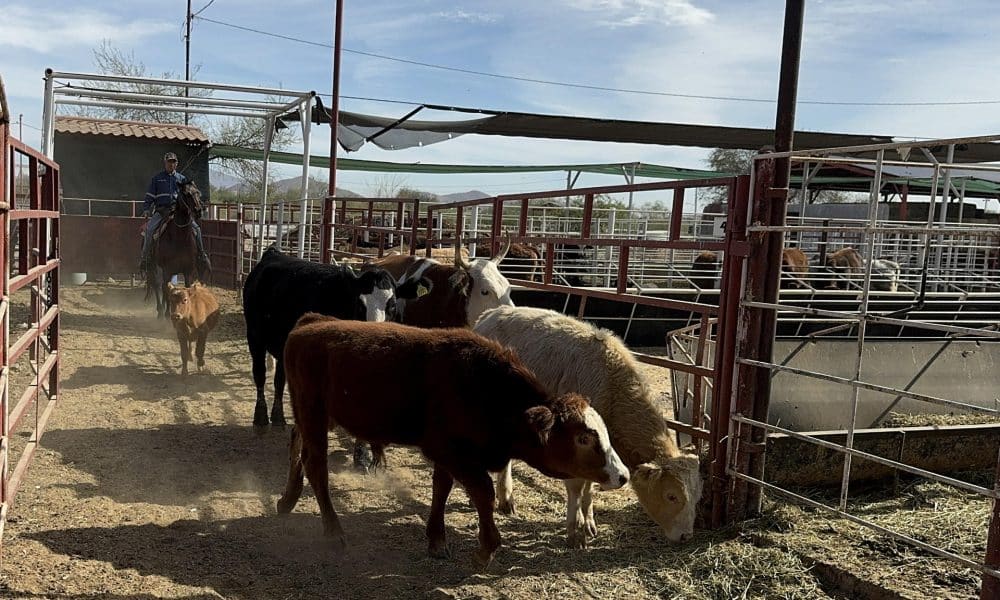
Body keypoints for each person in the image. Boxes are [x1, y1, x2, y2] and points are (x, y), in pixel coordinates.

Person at [139, 152, 211, 273]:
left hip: (177, 211)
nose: (171, 164)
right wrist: (146, 209)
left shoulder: (182, 179)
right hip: (161, 211)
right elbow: (150, 196)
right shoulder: (157, 178)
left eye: (173, 162)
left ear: (176, 164)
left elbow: (192, 194)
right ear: (165, 163)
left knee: (197, 230)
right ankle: (145, 259)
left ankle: (201, 256)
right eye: (169, 162)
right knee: (150, 230)